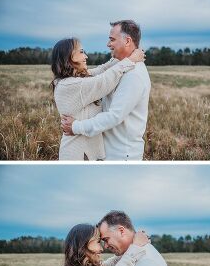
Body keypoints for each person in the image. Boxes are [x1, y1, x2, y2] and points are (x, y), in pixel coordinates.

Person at [61, 20, 152, 161]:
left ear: (127, 41)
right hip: (110, 152)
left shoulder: (134, 74)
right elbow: (98, 75)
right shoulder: (121, 66)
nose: (108, 44)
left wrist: (76, 126)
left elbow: (114, 116)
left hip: (122, 155)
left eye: (112, 40)